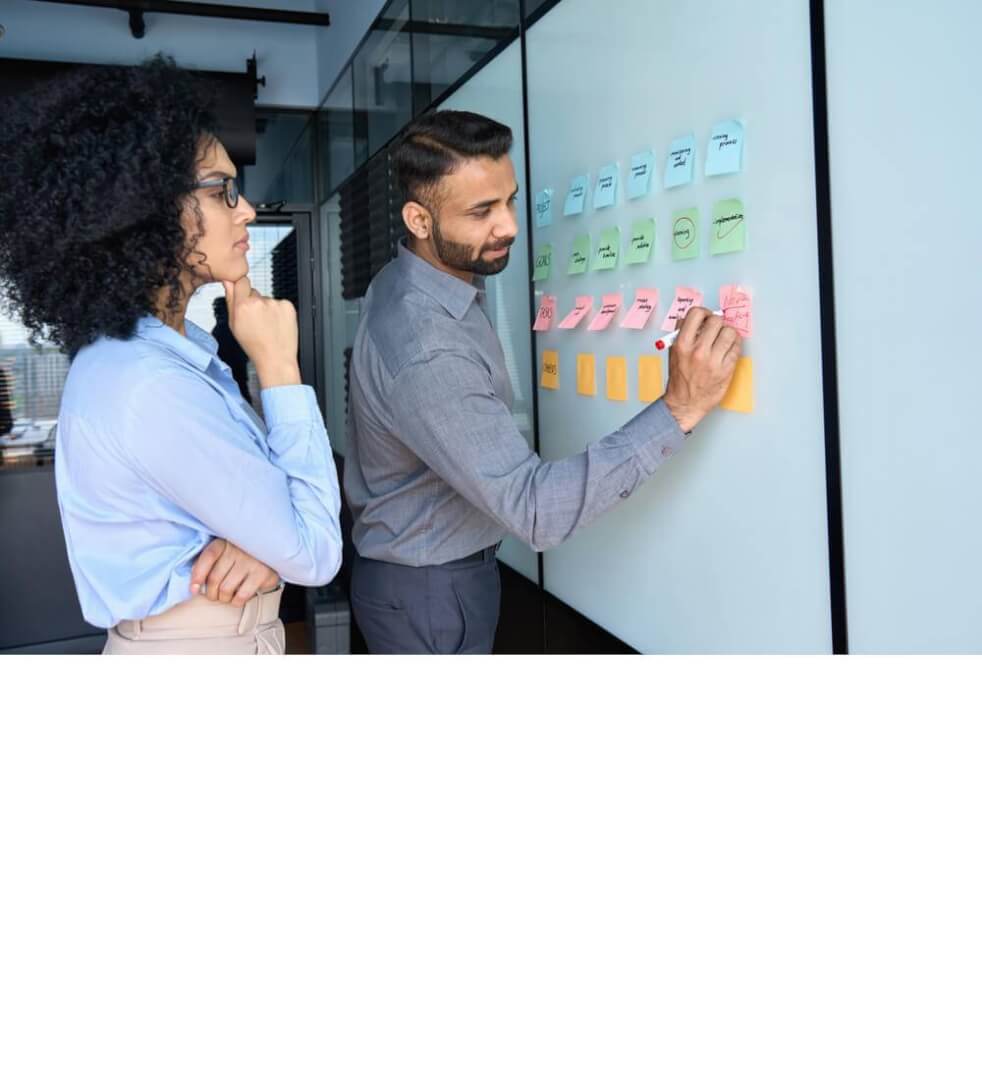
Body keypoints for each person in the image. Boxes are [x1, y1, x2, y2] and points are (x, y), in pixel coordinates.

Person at [344, 110, 740, 654]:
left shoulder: (412, 278)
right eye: (482, 211)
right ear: (418, 220)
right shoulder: (428, 347)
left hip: (423, 579)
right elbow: (536, 512)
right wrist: (678, 409)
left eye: (508, 199)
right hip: (430, 592)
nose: (508, 225)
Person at [0, 57, 342, 654]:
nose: (247, 211)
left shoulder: (162, 358)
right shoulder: (145, 383)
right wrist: (281, 369)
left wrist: (264, 542)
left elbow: (278, 521)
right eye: (221, 191)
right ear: (144, 208)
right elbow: (314, 549)